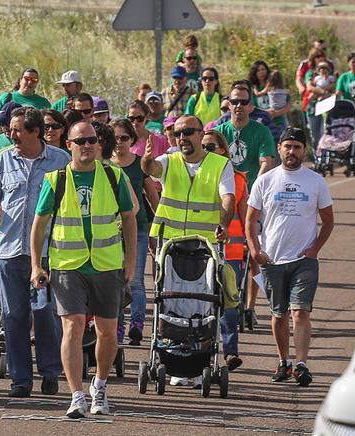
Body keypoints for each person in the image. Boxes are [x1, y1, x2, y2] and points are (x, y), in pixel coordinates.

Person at [29, 121, 138, 418]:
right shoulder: (56, 179)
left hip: (107, 264)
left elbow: (129, 218)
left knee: (107, 332)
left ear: (99, 144)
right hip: (68, 265)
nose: (87, 145)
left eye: (91, 140)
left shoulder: (114, 176)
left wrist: (130, 262)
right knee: (73, 325)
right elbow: (39, 225)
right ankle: (76, 395)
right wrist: (36, 264)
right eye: (80, 141)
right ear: (69, 145)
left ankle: (99, 386)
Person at [0, 107, 68, 398]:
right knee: (14, 316)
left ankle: (50, 371)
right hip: (10, 252)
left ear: (35, 132)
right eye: (12, 130)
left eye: (18, 130)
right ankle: (20, 380)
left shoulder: (61, 161)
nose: (11, 135)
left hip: (47, 254)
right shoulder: (4, 159)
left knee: (44, 313)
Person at [142, 116, 237, 385]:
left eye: (188, 132)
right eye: (179, 132)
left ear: (200, 134)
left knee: (203, 300)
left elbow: (227, 197)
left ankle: (200, 362)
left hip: (205, 245)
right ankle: (171, 360)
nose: (182, 137)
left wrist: (224, 223)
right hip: (169, 245)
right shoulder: (169, 160)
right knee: (169, 298)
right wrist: (147, 159)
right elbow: (150, 169)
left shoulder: (220, 164)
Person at [245, 127, 334, 388]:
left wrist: (315, 249)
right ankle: (284, 362)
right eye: (287, 146)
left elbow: (328, 221)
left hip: (304, 260)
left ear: (304, 150)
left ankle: (302, 364)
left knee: (300, 313)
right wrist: (254, 250)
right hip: (272, 259)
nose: (292, 151)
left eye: (297, 146)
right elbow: (250, 220)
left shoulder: (316, 181)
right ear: (279, 149)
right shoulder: (265, 180)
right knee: (279, 314)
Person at [200, 130, 251, 367]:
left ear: (223, 150)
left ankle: (230, 351)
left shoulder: (239, 179)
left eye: (211, 147)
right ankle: (203, 354)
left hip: (231, 250)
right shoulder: (196, 175)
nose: (206, 150)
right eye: (204, 146)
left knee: (229, 303)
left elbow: (245, 216)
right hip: (202, 249)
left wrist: (252, 243)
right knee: (202, 303)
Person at [110, 118, 159, 345]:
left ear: (132, 140)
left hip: (138, 227)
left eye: (124, 138)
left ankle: (137, 325)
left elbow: (151, 196)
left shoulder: (140, 164)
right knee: (116, 281)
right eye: (116, 138)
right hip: (108, 230)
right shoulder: (104, 165)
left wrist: (157, 228)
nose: (119, 142)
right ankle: (117, 326)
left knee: (136, 280)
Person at [214, 83, 277, 191]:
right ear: (229, 105)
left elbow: (266, 162)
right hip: (222, 190)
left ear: (250, 106)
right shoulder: (217, 132)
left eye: (244, 102)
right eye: (234, 102)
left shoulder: (263, 131)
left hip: (251, 191)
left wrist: (256, 189)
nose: (239, 105)